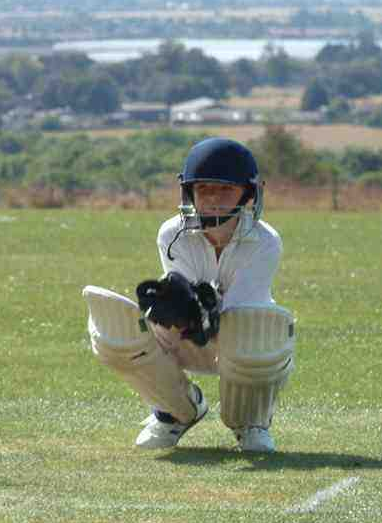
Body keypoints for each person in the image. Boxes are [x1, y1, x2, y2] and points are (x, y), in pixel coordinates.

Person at [85, 137, 294, 453]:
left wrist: (209, 311)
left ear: (248, 193)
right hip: (188, 337)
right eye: (204, 189)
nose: (213, 200)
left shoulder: (266, 241)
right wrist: (179, 310)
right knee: (121, 338)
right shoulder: (171, 233)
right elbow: (185, 295)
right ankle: (175, 412)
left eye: (225, 190)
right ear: (189, 192)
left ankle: (251, 423)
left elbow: (238, 308)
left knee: (256, 329)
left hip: (241, 342)